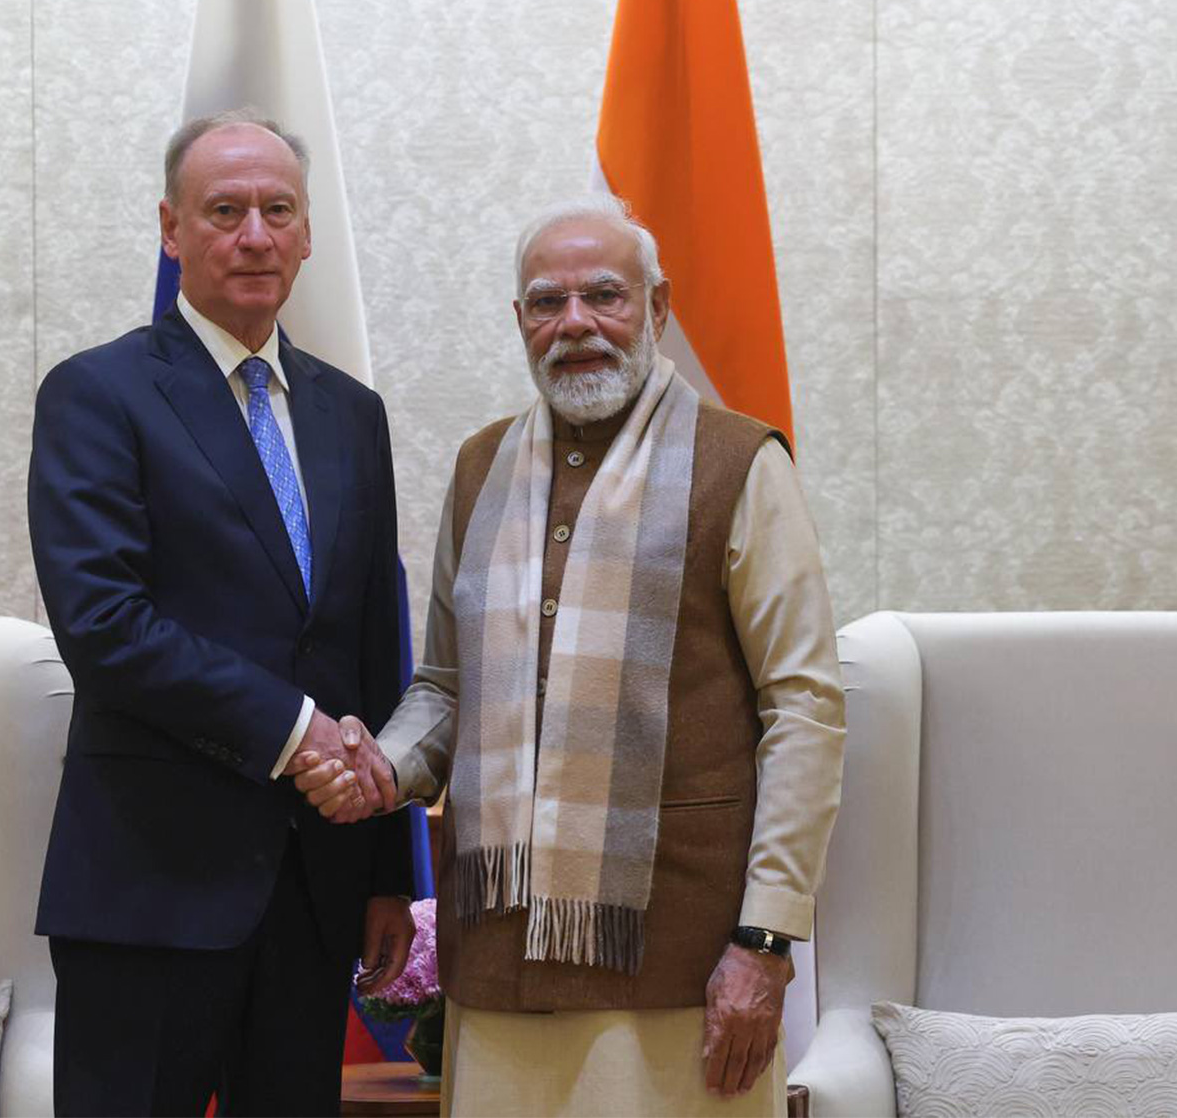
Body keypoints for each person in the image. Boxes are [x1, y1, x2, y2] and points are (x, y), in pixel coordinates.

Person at [291, 195, 845, 1116]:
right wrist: (378, 767)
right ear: (521, 320)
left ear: (657, 307)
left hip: (681, 962)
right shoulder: (481, 466)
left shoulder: (741, 464)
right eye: (548, 302)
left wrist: (765, 942)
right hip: (498, 962)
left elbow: (805, 710)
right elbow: (446, 686)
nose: (576, 324)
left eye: (605, 296)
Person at [28, 109, 414, 1117]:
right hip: (150, 886)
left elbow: (374, 641)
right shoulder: (98, 394)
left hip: (315, 886)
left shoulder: (351, 413)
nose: (254, 235)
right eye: (224, 210)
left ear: (307, 233)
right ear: (172, 229)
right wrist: (297, 730)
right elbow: (105, 626)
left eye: (277, 211)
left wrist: (387, 867)